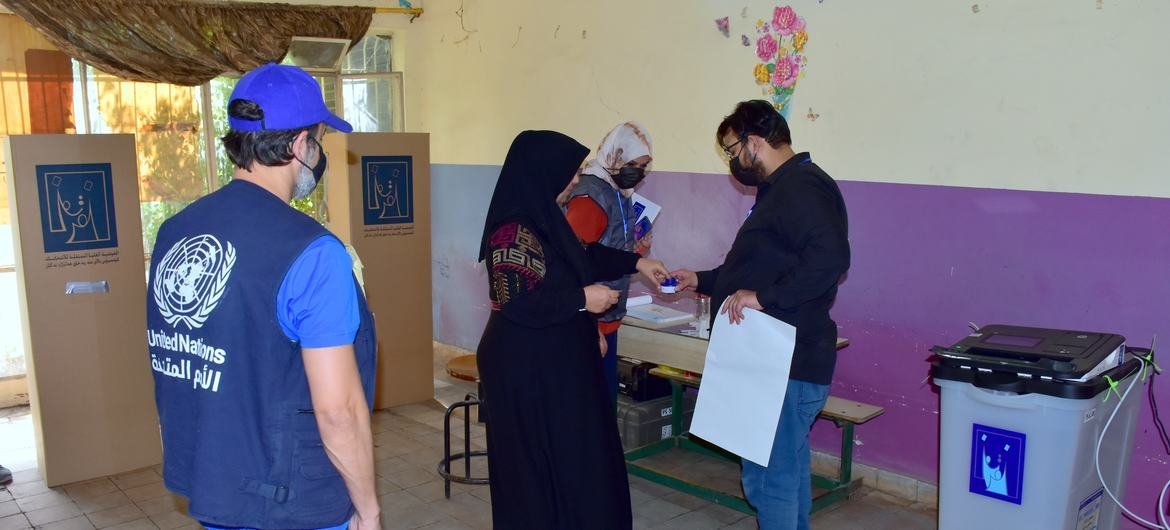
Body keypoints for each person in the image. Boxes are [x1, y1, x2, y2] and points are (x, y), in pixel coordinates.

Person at [145, 63, 378, 530]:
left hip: (217, 484)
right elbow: (338, 410)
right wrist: (368, 509)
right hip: (291, 499)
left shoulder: (176, 232)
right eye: (318, 141)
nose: (318, 151)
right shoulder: (312, 254)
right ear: (298, 145)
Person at [476, 130, 670, 529]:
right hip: (524, 370)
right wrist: (583, 299)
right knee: (536, 468)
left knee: (575, 459)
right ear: (544, 172)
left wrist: (636, 264)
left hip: (554, 363)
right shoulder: (512, 230)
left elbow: (584, 255)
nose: (577, 181)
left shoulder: (545, 221)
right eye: (572, 173)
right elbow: (520, 300)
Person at [672, 100, 850, 530]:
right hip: (773, 360)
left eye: (733, 150)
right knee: (782, 474)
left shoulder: (802, 187)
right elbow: (754, 269)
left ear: (754, 142)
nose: (733, 161)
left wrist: (765, 298)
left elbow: (831, 259)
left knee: (770, 480)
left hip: (785, 362)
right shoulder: (779, 189)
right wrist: (698, 278)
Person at [565, 122, 655, 407]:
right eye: (633, 164)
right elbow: (574, 263)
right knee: (593, 404)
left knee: (604, 403)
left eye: (643, 166)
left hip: (608, 316)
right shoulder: (591, 196)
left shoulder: (618, 190)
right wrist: (591, 328)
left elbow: (607, 246)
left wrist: (636, 254)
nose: (637, 173)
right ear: (615, 156)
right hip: (591, 317)